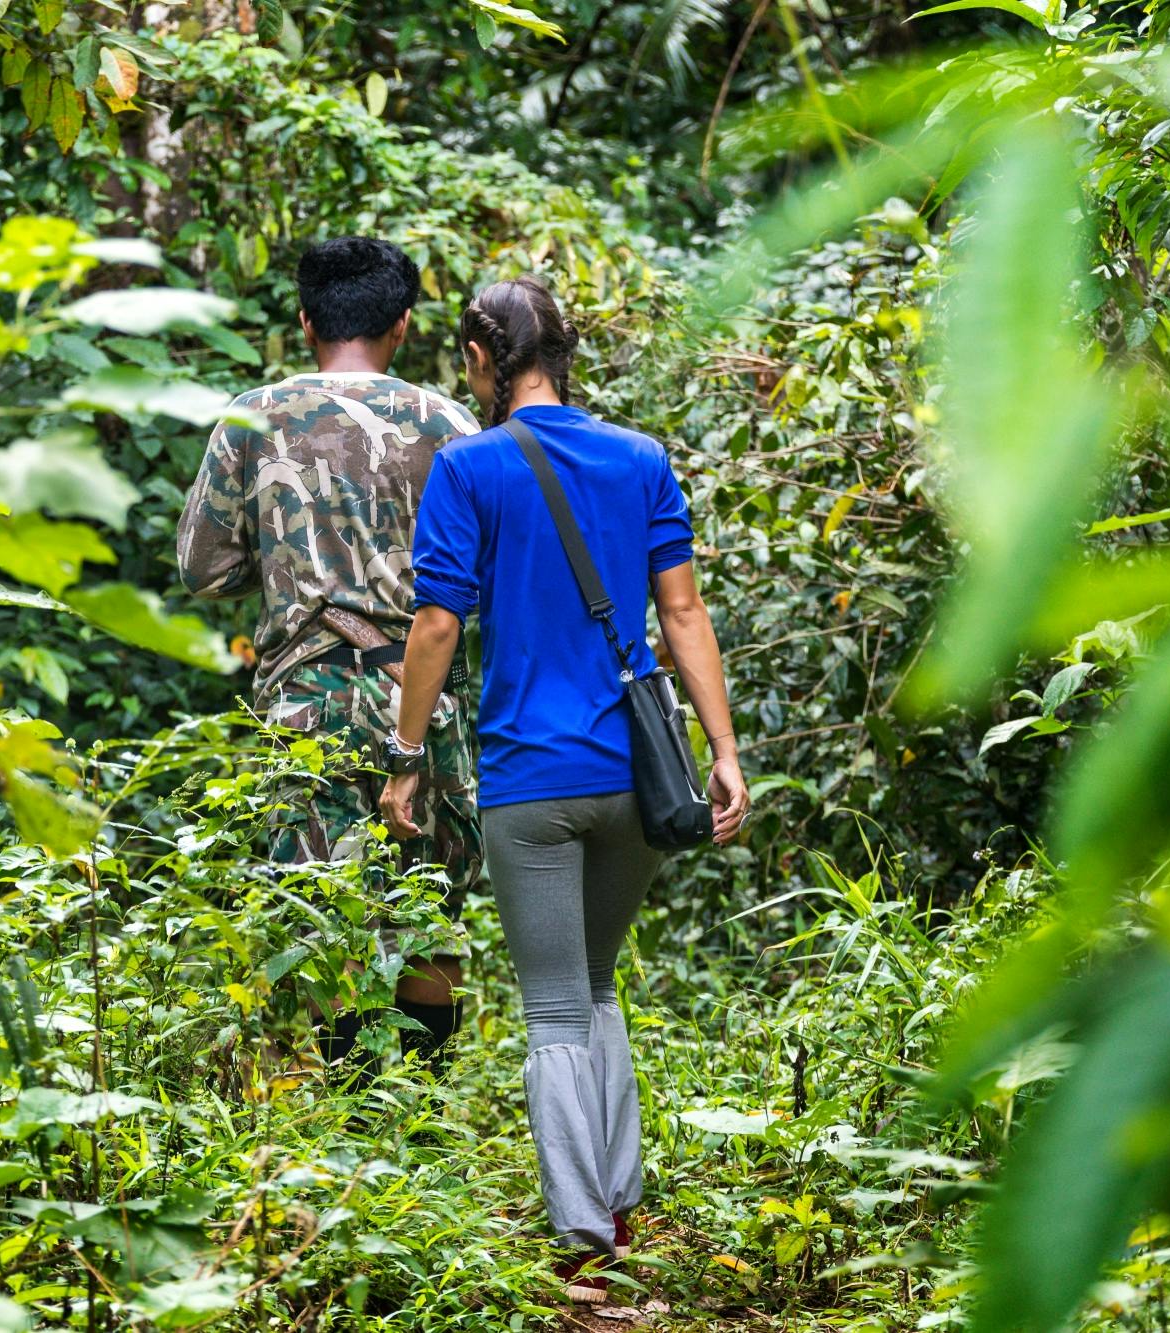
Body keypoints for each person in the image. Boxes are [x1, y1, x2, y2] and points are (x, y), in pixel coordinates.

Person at [377, 275, 748, 1304]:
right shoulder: (638, 459)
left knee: (550, 1009)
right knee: (593, 987)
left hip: (527, 784)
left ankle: (583, 1238)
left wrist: (405, 756)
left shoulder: (468, 468)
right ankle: (617, 1201)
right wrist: (721, 749)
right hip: (635, 777)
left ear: (482, 360)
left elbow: (438, 625)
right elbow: (680, 615)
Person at [176, 236, 483, 1075]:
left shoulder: (255, 415)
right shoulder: (452, 424)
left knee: (322, 915)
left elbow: (201, 569)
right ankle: (418, 1123)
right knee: (429, 916)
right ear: (404, 324)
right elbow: (484, 576)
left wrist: (284, 562)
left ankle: (353, 1121)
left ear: (305, 319)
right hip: (423, 694)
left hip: (305, 699)